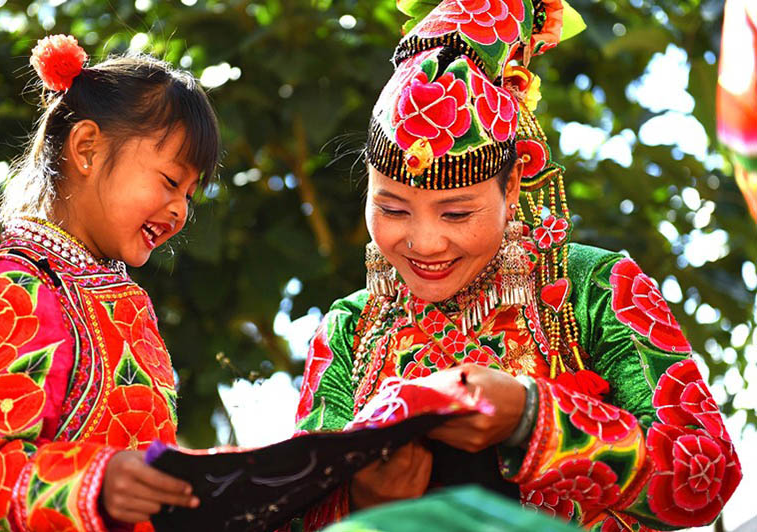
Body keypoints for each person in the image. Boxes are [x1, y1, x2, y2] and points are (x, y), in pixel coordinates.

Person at [292, 1, 742, 530]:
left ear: (512, 185)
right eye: (391, 208)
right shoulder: (348, 331)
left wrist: (533, 417)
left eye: (457, 212)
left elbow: (703, 473)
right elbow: (291, 506)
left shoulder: (592, 288)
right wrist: (362, 500)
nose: (424, 241)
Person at [0, 34, 219, 531]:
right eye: (169, 182)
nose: (182, 210)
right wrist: (92, 482)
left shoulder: (119, 295)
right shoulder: (12, 290)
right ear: (86, 148)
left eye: (190, 194)